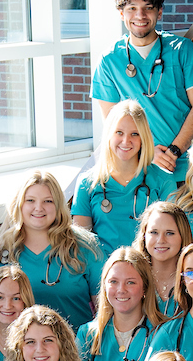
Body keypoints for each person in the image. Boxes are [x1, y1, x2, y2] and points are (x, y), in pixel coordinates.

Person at [0, 172, 103, 336]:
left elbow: (104, 305)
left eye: (48, 201)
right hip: (15, 353)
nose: (39, 208)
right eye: (30, 200)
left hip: (75, 350)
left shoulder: (85, 246)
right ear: (19, 204)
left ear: (58, 205)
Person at [91, 0, 193, 185]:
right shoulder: (109, 61)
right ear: (121, 13)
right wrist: (148, 151)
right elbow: (111, 122)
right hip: (136, 169)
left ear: (159, 12)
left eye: (148, 8)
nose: (140, 15)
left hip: (185, 168)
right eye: (132, 8)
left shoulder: (182, 50)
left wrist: (173, 151)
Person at [71, 101, 175, 255]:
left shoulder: (164, 181)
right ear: (109, 135)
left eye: (134, 134)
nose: (126, 141)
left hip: (148, 271)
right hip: (102, 273)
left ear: (143, 138)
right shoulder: (87, 183)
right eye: (119, 132)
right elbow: (82, 246)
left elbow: (170, 240)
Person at [76, 248, 162, 361]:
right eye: (113, 281)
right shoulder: (87, 335)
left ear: (145, 287)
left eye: (130, 282)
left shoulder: (162, 332)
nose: (121, 290)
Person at [133, 201, 193, 320]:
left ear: (182, 236)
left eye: (169, 233)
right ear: (144, 236)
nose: (161, 240)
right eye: (154, 232)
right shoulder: (132, 277)